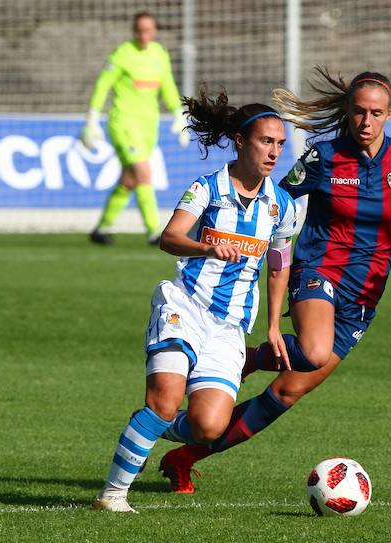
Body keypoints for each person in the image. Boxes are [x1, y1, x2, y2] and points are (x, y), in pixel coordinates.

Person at [157, 68, 391, 493]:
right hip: (317, 272)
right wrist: (238, 242)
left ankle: (185, 453)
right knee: (313, 351)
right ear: (348, 113)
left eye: (375, 114)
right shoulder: (324, 157)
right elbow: (274, 202)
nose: (366, 122)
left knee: (286, 394)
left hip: (365, 295)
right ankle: (249, 358)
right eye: (358, 112)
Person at [92, 87, 299, 513]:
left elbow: (279, 263)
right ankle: (112, 495)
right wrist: (205, 248)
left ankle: (152, 428)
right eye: (266, 141)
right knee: (165, 400)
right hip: (183, 307)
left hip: (229, 327)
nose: (274, 151)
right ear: (241, 141)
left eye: (280, 143)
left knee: (208, 427)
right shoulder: (207, 189)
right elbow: (170, 237)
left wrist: (275, 325)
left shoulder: (281, 207)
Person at [80, 11, 189, 246]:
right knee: (143, 172)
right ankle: (154, 231)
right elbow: (102, 85)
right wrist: (92, 118)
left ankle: (101, 228)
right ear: (134, 30)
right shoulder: (123, 54)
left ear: (155, 30)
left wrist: (179, 114)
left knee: (130, 180)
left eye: (148, 29)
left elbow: (167, 86)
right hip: (124, 123)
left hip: (149, 125)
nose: (144, 34)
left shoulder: (160, 54)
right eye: (140, 30)